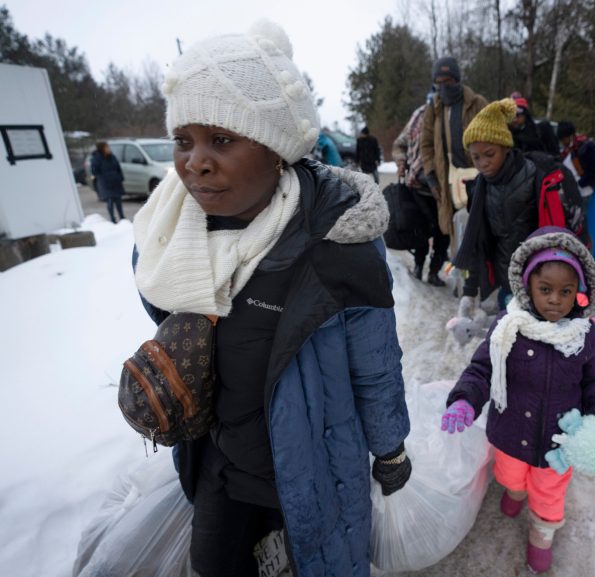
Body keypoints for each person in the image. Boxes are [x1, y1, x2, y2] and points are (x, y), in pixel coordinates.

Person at [131, 20, 411, 577]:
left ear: (277, 147)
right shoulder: (170, 240)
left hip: (316, 469)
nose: (195, 161)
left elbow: (374, 365)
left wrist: (390, 447)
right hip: (222, 465)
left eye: (223, 139)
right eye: (183, 140)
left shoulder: (339, 243)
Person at [441, 226, 595, 574]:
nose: (555, 299)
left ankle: (542, 533)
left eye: (565, 291)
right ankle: (515, 492)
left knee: (550, 494)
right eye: (545, 289)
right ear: (527, 286)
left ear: (579, 292)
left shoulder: (584, 336)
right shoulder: (509, 328)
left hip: (558, 442)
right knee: (510, 474)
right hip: (511, 430)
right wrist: (465, 399)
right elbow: (482, 369)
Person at [452, 98, 539, 315]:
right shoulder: (480, 189)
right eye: (476, 157)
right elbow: (477, 242)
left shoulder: (532, 176)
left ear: (505, 148)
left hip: (537, 280)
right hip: (505, 281)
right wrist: (469, 292)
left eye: (489, 154)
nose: (483, 163)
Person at [420, 56, 488, 240]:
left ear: (457, 79)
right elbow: (425, 145)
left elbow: (492, 138)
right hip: (448, 182)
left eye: (448, 81)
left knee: (483, 229)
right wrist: (431, 177)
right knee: (457, 233)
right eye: (439, 83)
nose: (443, 87)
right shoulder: (433, 109)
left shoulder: (477, 103)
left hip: (479, 177)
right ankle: (460, 266)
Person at [392, 93, 450, 287]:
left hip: (444, 190)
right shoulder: (418, 115)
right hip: (417, 185)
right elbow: (400, 144)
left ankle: (434, 271)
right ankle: (418, 267)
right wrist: (401, 162)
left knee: (444, 233)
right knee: (419, 231)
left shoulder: (451, 117)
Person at [557, 120, 595, 260]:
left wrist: (578, 183)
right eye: (562, 140)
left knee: (579, 226)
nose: (564, 142)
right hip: (572, 194)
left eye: (565, 138)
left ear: (572, 135)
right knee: (573, 224)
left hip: (583, 193)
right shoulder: (567, 151)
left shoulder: (585, 147)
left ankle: (584, 256)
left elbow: (592, 172)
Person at [91, 141, 125, 222]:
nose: (109, 149)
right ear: (102, 149)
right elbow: (95, 171)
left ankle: (122, 218)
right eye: (107, 147)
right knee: (110, 201)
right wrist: (103, 179)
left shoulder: (112, 157)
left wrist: (120, 177)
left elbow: (118, 168)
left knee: (118, 200)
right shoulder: (96, 158)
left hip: (115, 181)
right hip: (105, 183)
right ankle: (112, 219)